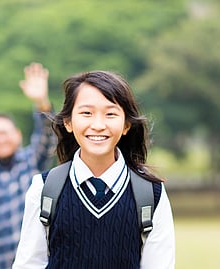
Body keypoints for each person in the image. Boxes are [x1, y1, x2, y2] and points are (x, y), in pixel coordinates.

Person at [12, 71, 175, 268]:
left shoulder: (151, 194)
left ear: (126, 125)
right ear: (68, 122)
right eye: (86, 113)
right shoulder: (44, 189)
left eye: (110, 114)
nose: (98, 125)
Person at [0, 63, 57, 269]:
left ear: (17, 135)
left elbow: (48, 134)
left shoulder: (32, 162)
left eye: (5, 133)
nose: (0, 139)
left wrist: (41, 102)